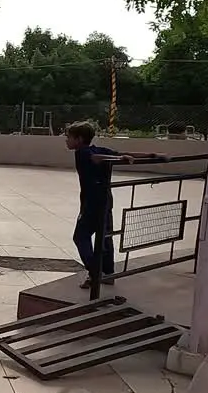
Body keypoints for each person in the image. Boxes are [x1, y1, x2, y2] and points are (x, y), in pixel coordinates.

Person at [65, 121, 161, 289]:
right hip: (105, 200)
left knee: (80, 236)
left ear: (79, 139)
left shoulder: (83, 152)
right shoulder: (98, 150)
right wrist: (152, 155)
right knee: (104, 236)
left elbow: (98, 158)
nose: (66, 141)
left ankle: (95, 272)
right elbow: (123, 154)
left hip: (92, 203)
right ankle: (108, 273)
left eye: (69, 137)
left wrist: (125, 157)